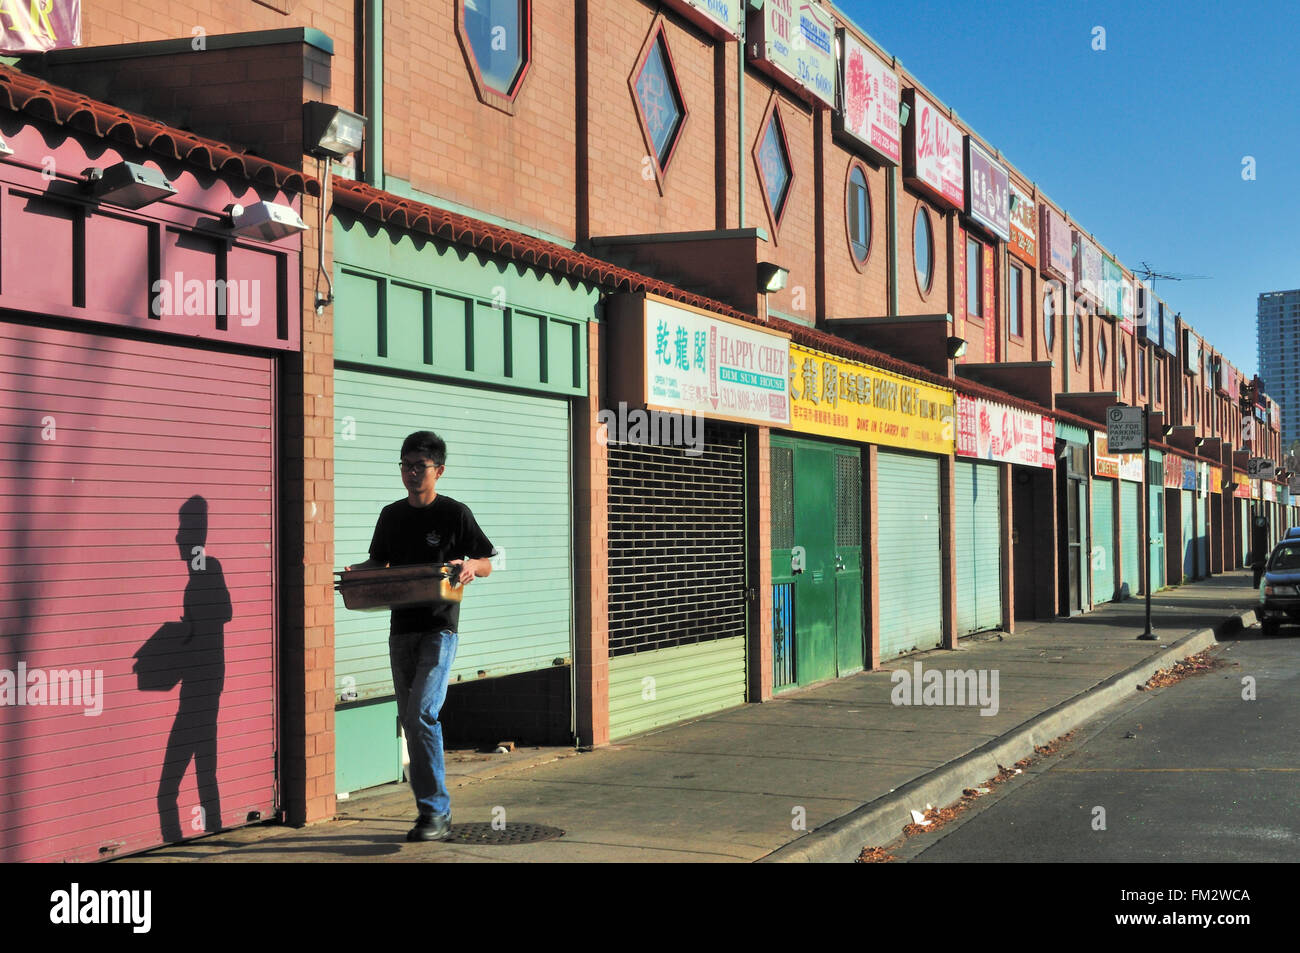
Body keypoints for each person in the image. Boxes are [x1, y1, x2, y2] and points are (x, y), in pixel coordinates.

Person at [348, 431, 495, 842]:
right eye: (406, 466)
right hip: (401, 629)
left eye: (420, 467)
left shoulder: (454, 513)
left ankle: (436, 812)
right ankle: (430, 812)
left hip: (440, 628)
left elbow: (486, 562)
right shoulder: (391, 515)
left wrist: (470, 566)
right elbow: (379, 561)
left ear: (439, 471)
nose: (412, 474)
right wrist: (353, 573)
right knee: (411, 720)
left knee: (422, 714)